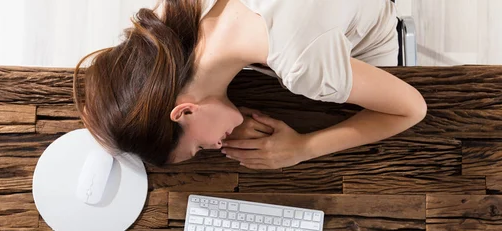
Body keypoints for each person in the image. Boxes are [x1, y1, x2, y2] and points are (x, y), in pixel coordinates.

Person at [73, 0, 427, 170]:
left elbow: (411, 108)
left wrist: (302, 149)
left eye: (199, 148)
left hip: (368, 38)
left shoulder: (305, 66)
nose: (216, 145)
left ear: (184, 109)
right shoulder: (172, 15)